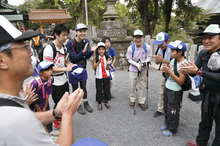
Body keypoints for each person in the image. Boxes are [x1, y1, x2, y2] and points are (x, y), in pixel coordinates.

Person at [0, 15, 83, 146]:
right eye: (24, 47)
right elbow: (24, 120)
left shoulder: (13, 98)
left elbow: (30, 119)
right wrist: (67, 115)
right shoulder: (14, 120)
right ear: (2, 60)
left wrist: (55, 113)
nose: (31, 53)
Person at [180, 24, 220, 146]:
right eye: (204, 38)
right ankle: (200, 142)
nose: (206, 41)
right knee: (205, 122)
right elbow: (194, 71)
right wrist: (187, 70)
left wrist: (199, 72)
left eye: (211, 37)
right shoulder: (203, 53)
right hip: (207, 95)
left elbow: (200, 71)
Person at [43, 24, 76, 129]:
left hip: (64, 79)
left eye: (66, 35)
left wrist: (70, 65)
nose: (66, 38)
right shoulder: (49, 48)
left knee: (65, 99)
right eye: (63, 35)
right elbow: (48, 68)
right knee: (58, 101)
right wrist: (66, 69)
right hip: (54, 80)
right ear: (56, 35)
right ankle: (56, 120)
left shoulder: (64, 47)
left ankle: (62, 117)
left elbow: (66, 61)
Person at [66, 23, 97, 115]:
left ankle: (86, 102)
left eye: (84, 31)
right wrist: (83, 52)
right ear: (76, 32)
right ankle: (77, 105)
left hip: (83, 67)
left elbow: (86, 56)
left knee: (83, 87)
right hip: (73, 68)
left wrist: (91, 51)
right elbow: (73, 58)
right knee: (75, 88)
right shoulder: (70, 43)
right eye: (80, 31)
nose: (83, 33)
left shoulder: (86, 41)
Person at [161, 40, 188, 136]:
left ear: (180, 52)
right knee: (166, 106)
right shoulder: (173, 60)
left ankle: (173, 129)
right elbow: (167, 76)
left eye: (172, 51)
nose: (170, 52)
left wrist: (170, 71)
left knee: (173, 109)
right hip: (168, 87)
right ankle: (167, 122)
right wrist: (165, 70)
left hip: (175, 91)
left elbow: (181, 81)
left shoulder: (184, 64)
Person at [126, 29, 152, 111]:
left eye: (139, 37)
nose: (138, 39)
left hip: (143, 69)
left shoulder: (147, 47)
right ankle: (132, 99)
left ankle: (142, 101)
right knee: (132, 84)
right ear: (133, 38)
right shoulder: (130, 48)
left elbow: (149, 57)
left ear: (143, 37)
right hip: (133, 68)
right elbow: (129, 59)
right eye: (136, 37)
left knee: (142, 85)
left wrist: (144, 63)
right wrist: (137, 64)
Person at [25, 61, 54, 133]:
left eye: (51, 69)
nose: (50, 72)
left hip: (44, 103)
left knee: (48, 118)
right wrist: (39, 109)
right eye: (47, 70)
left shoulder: (50, 80)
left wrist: (45, 105)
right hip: (35, 105)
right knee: (38, 121)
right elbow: (33, 98)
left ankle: (49, 132)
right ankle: (43, 134)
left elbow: (48, 93)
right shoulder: (35, 83)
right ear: (41, 73)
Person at [153, 32, 171, 117]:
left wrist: (163, 60)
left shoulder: (173, 49)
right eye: (158, 44)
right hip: (164, 74)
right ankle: (160, 109)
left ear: (168, 41)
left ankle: (170, 110)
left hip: (173, 75)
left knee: (171, 94)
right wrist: (157, 59)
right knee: (161, 91)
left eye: (162, 44)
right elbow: (157, 63)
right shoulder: (159, 49)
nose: (160, 46)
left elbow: (176, 63)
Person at [93, 42, 112, 110]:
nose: (101, 51)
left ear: (105, 50)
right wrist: (98, 62)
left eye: (102, 49)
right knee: (99, 89)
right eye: (99, 49)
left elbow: (107, 68)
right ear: (97, 50)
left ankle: (106, 101)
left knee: (106, 89)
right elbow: (93, 67)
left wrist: (108, 64)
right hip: (98, 76)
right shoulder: (96, 57)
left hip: (106, 75)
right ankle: (99, 102)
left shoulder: (107, 57)